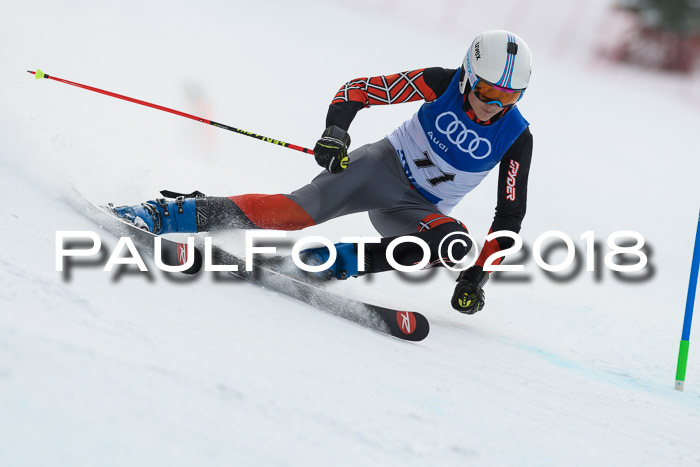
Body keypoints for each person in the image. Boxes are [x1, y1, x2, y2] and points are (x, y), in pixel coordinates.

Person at [112, 30, 534, 315]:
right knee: (295, 214)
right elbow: (359, 91)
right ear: (467, 76)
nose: (493, 106)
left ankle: (325, 265)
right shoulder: (442, 82)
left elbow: (510, 218)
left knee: (453, 245)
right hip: (378, 168)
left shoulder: (515, 136)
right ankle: (168, 213)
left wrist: (477, 277)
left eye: (508, 97)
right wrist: (336, 133)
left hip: (415, 211)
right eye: (486, 92)